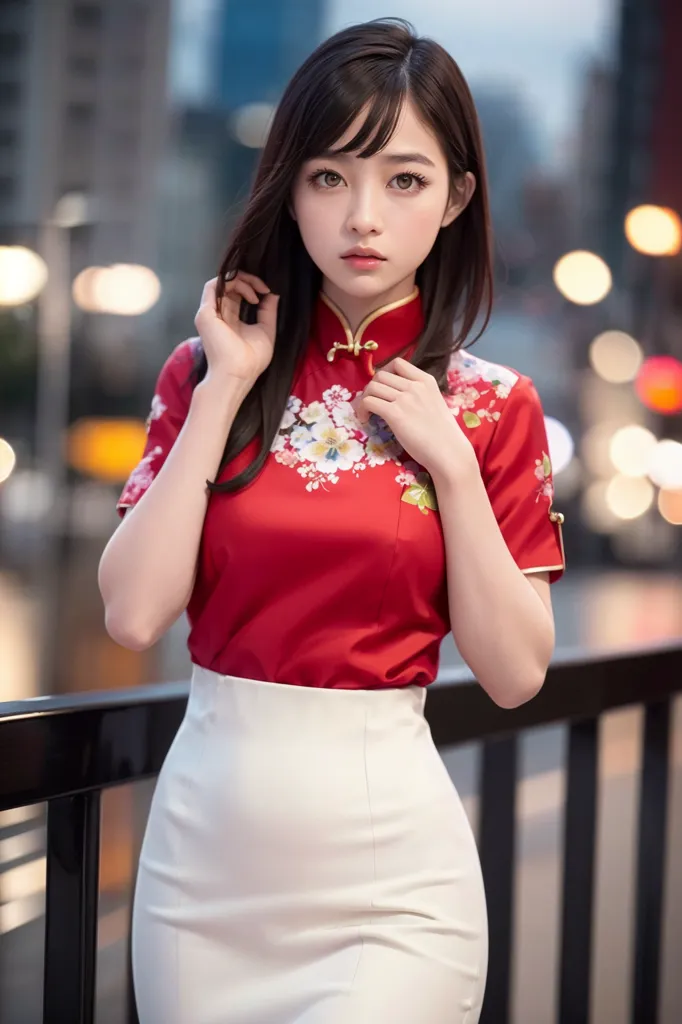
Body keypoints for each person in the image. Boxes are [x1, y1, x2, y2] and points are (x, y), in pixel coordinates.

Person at [98, 17, 565, 1024]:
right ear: (287, 188)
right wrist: (225, 388)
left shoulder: (492, 405)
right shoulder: (207, 372)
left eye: (402, 180)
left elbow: (518, 669)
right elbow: (134, 614)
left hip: (390, 889)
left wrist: (448, 461)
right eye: (327, 176)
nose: (362, 216)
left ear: (456, 199)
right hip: (199, 880)